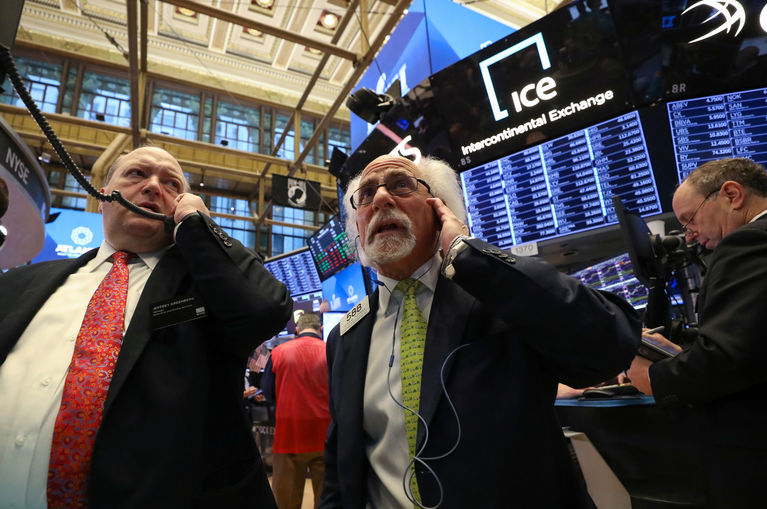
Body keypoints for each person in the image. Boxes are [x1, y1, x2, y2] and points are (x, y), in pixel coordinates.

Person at [321, 153, 641, 508]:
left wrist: (468, 254)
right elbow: (341, 463)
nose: (381, 198)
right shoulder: (346, 336)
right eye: (366, 195)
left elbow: (609, 346)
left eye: (401, 184)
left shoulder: (501, 294)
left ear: (440, 209)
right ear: (360, 229)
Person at [0, 146, 292, 508]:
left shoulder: (210, 291)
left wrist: (198, 224)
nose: (154, 187)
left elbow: (265, 310)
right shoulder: (18, 283)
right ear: (103, 197)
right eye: (137, 174)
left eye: (172, 184)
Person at [626, 157, 767, 508]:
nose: (688, 234)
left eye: (690, 218)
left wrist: (654, 376)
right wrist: (682, 345)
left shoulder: (754, 241)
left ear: (732, 194)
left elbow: (729, 361)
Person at [262, 312, 330, 509]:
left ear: (297, 330)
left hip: (288, 436)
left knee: (285, 502)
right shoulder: (331, 351)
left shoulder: (277, 353)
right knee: (326, 501)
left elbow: (268, 393)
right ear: (321, 329)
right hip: (325, 437)